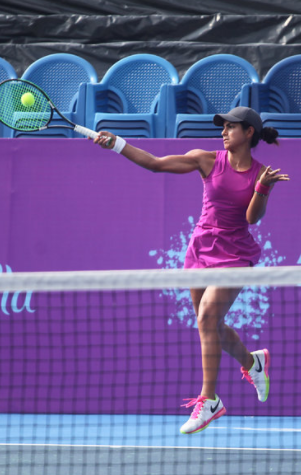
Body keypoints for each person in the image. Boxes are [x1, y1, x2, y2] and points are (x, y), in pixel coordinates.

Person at [93, 107, 289, 435]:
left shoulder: (260, 173)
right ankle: (253, 363)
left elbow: (252, 219)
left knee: (206, 319)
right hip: (200, 249)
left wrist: (263, 189)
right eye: (223, 127)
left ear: (249, 133)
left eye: (230, 127)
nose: (223, 132)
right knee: (210, 324)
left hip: (235, 254)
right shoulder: (206, 159)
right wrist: (117, 144)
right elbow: (155, 164)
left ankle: (208, 400)